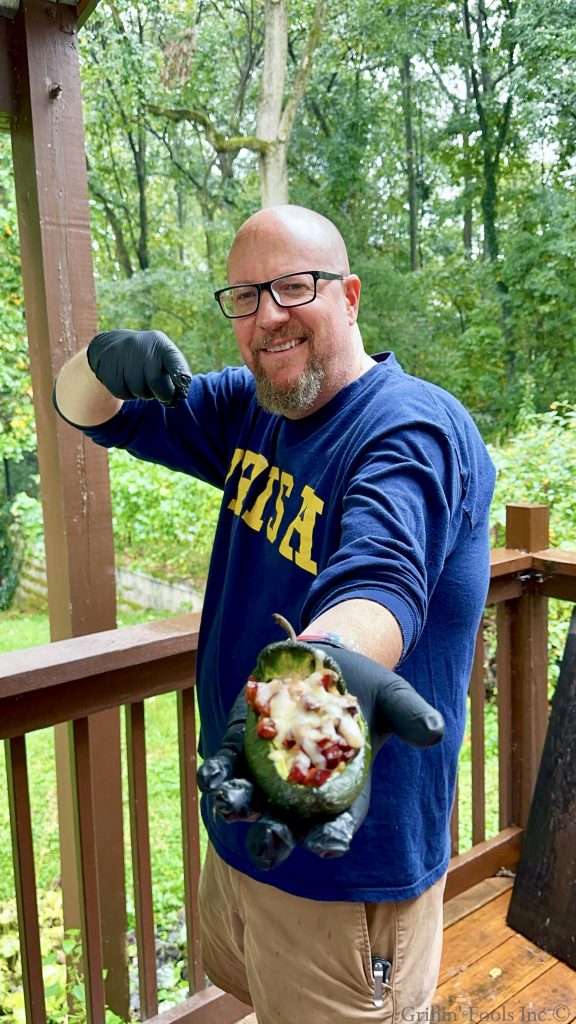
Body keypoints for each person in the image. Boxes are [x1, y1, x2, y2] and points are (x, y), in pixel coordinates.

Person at [53, 204, 495, 1023]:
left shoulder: (412, 429)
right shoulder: (251, 408)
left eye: (295, 287)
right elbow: (83, 410)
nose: (269, 316)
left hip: (345, 864)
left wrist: (323, 677)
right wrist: (99, 362)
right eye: (247, 297)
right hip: (245, 820)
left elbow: (381, 576)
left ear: (351, 295)